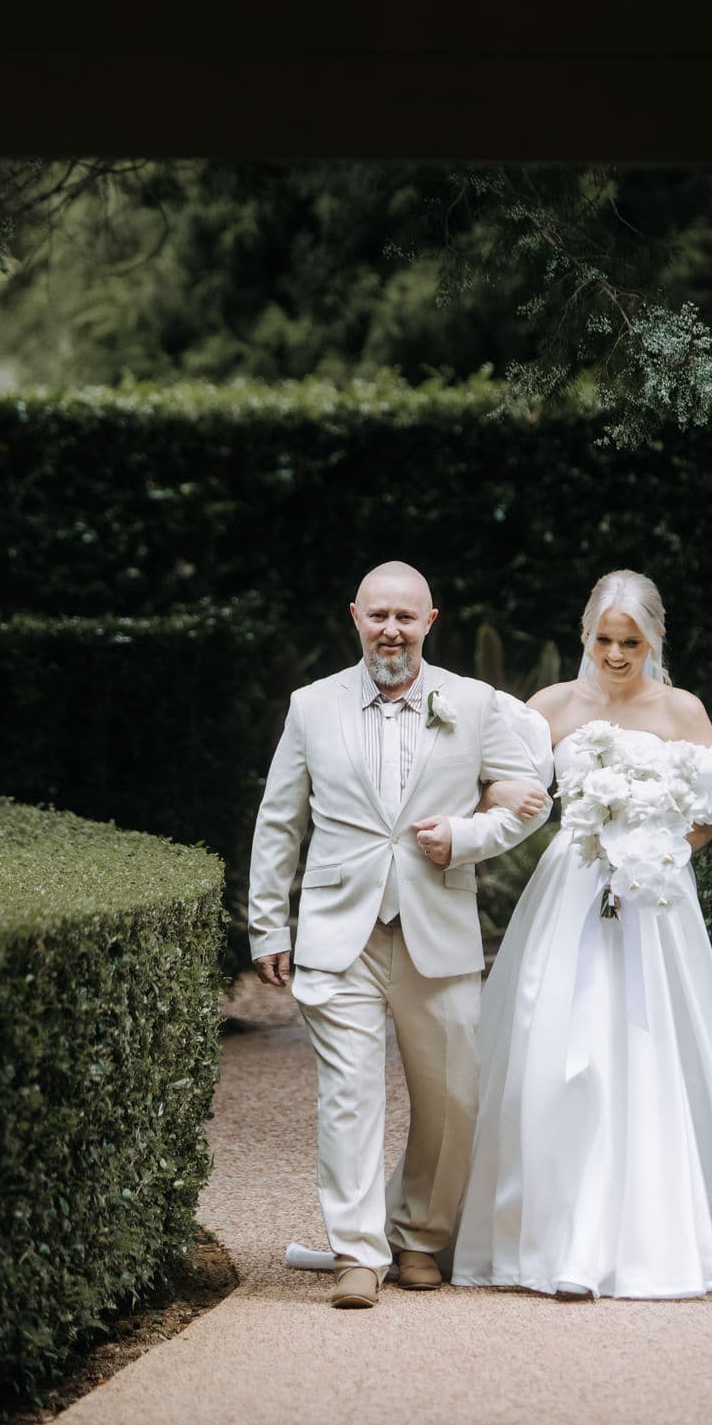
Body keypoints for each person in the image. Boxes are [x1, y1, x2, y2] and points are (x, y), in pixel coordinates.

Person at [451, 568, 712, 1300]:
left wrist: (663, 848)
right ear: (585, 634)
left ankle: (653, 1238)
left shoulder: (682, 709)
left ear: (654, 640)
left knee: (654, 1044)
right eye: (604, 639)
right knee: (552, 1042)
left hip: (655, 900)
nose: (616, 654)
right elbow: (497, 782)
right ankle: (547, 1236)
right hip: (570, 889)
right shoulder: (549, 707)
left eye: (631, 642)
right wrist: (503, 798)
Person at [248, 561, 552, 1309]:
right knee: (348, 1098)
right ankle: (357, 1253)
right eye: (378, 615)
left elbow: (530, 800)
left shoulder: (474, 703)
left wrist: (465, 838)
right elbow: (280, 820)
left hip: (436, 930)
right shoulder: (311, 706)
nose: (391, 630)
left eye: (405, 617)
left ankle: (419, 1236)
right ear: (355, 617)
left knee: (453, 1098)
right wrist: (268, 923)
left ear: (429, 622)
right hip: (338, 931)